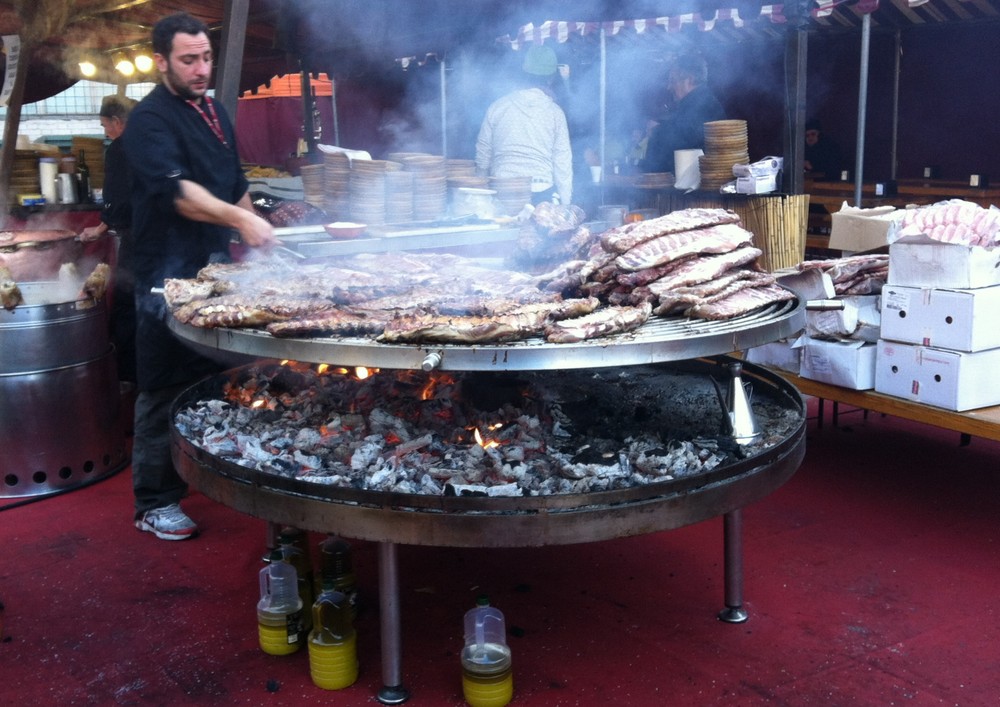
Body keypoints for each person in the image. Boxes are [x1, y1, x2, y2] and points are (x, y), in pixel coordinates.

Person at [123, 12, 277, 540]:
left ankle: (205, 475)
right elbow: (181, 197)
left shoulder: (212, 111)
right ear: (162, 61)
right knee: (163, 385)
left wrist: (257, 242)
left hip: (215, 274)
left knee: (209, 379)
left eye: (206, 57)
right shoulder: (150, 120)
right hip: (164, 274)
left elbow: (235, 185)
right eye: (189, 60)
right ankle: (154, 502)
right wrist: (242, 222)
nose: (201, 68)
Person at [80, 95, 138, 384]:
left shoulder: (119, 149)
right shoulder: (152, 143)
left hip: (136, 239)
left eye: (105, 125)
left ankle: (127, 375)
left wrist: (101, 227)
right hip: (161, 239)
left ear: (117, 122)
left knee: (127, 306)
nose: (105, 132)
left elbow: (117, 198)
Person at [475, 44, 573, 206]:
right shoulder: (555, 113)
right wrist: (566, 204)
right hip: (541, 192)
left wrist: (480, 191)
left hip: (502, 188)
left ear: (524, 73)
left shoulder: (498, 107)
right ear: (551, 78)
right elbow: (562, 161)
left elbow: (483, 153)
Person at [641, 54, 726, 174]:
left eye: (673, 81)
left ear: (689, 80)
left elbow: (685, 138)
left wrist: (656, 130)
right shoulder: (696, 102)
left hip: (697, 184)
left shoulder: (703, 105)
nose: (669, 87)